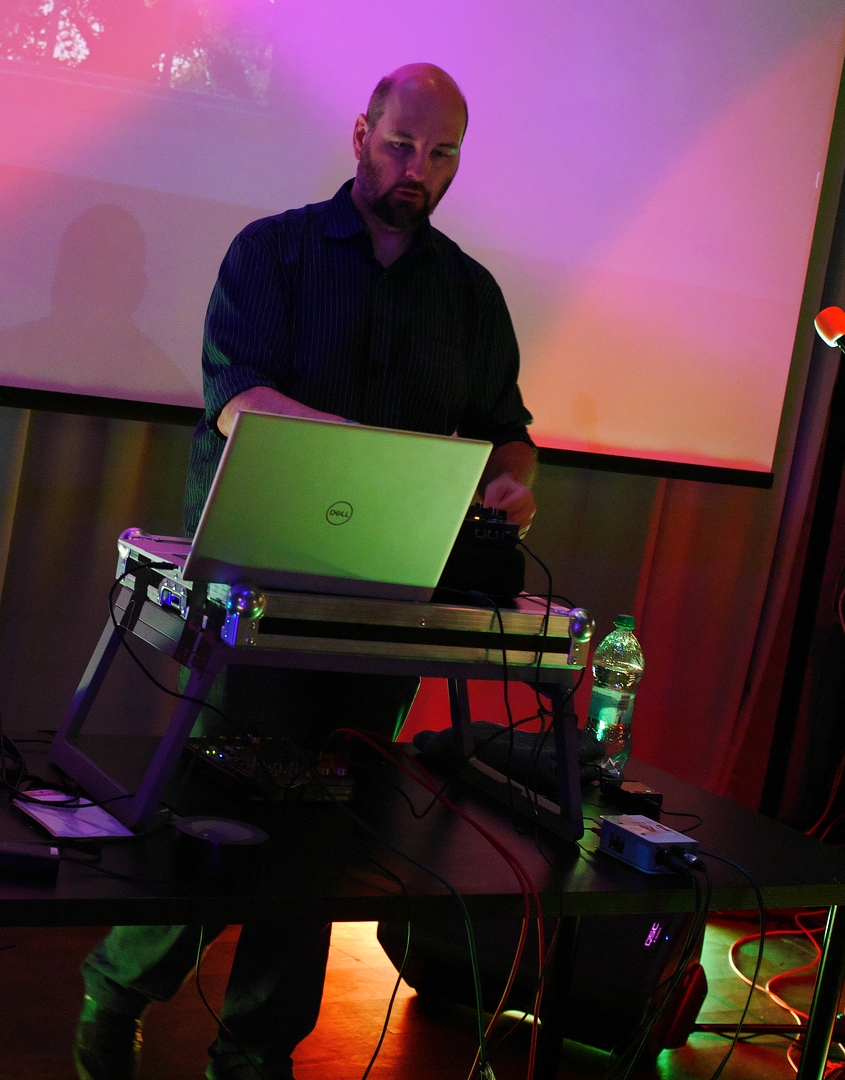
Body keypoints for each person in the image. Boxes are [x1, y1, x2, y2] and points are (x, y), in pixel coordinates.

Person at [75, 63, 538, 1080]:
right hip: (261, 586)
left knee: (327, 831)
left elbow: (507, 431)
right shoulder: (272, 251)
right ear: (362, 136)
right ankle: (116, 990)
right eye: (402, 145)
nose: (419, 169)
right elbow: (238, 397)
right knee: (225, 816)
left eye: (442, 154)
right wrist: (367, 453)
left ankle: (255, 1057)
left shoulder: (469, 295)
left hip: (388, 603)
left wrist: (512, 483)